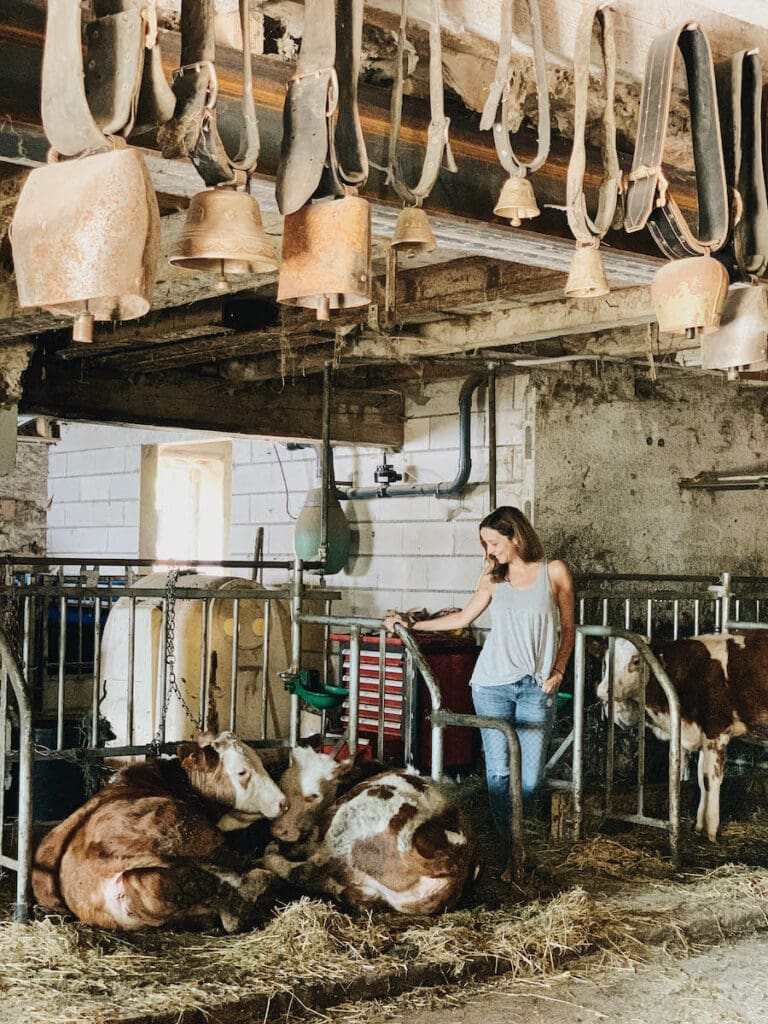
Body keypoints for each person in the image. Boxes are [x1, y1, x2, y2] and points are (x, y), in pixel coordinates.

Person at [385, 506, 575, 868]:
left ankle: (514, 842)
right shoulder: (492, 579)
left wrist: (559, 670)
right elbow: (461, 618)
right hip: (492, 685)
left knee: (531, 778)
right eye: (485, 544)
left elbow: (569, 629)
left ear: (516, 537)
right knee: (499, 773)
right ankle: (511, 851)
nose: (489, 551)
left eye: (493, 542)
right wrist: (412, 625)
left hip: (537, 687)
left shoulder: (554, 572)